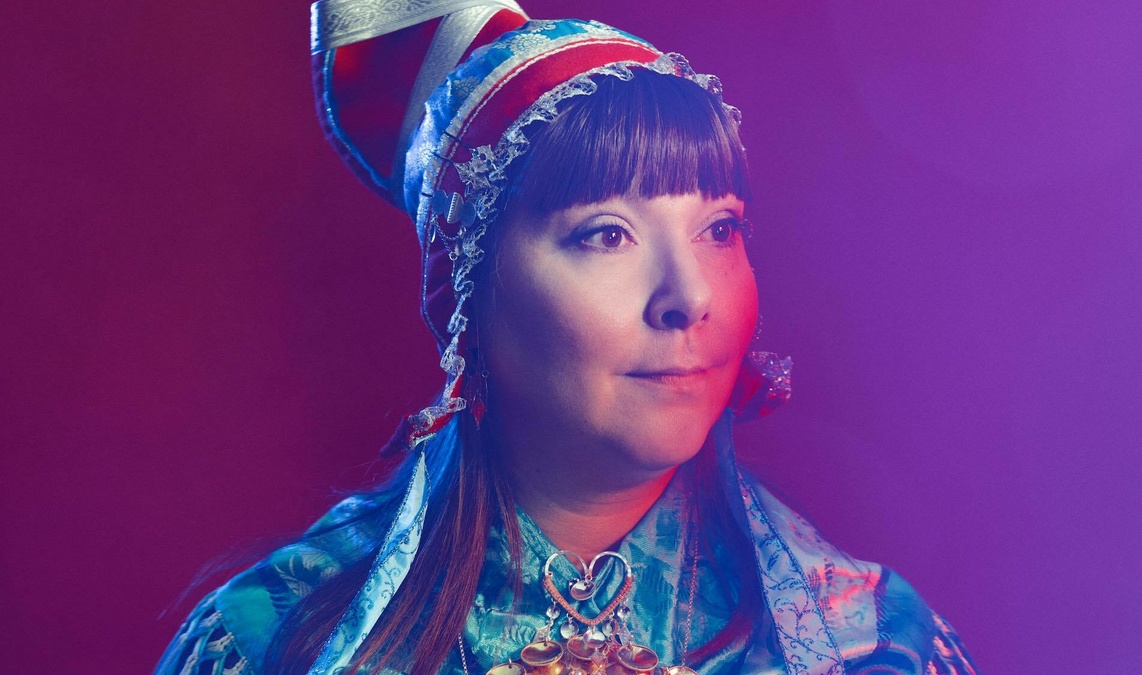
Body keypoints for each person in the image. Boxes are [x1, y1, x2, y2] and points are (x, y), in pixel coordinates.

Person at [155, 2, 978, 674]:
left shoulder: (875, 644)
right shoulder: (273, 644)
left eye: (720, 229)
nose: (689, 297)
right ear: (469, 299)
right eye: (606, 234)